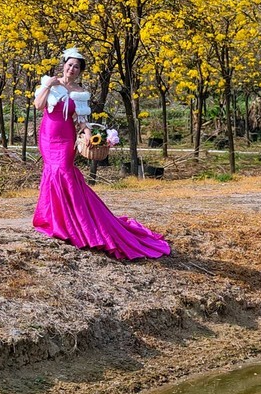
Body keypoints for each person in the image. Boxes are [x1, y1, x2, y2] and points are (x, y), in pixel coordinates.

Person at [32, 47, 171, 260]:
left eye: (76, 67)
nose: (72, 69)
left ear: (80, 71)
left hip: (66, 137)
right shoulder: (50, 83)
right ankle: (55, 219)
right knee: (52, 173)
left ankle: (75, 220)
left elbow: (80, 120)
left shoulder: (79, 92)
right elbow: (38, 105)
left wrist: (88, 133)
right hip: (47, 135)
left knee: (64, 172)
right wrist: (49, 85)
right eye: (69, 65)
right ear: (64, 65)